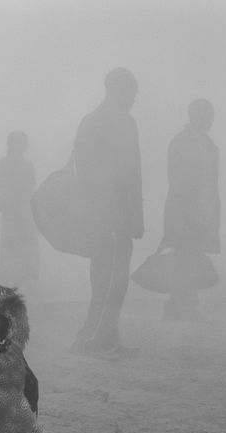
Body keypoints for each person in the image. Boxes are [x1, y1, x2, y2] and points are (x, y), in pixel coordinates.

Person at [70, 68, 143, 361]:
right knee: (107, 279)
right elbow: (87, 170)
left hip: (120, 216)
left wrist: (134, 218)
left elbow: (132, 174)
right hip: (107, 217)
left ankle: (109, 337)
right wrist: (103, 209)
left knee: (117, 279)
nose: (133, 99)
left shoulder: (123, 122)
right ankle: (88, 338)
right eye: (131, 92)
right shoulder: (100, 122)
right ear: (114, 89)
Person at [161, 99, 220, 320]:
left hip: (203, 212)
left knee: (192, 256)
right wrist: (187, 213)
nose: (211, 118)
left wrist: (210, 214)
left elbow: (211, 184)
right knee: (184, 256)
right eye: (207, 114)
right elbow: (176, 180)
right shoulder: (182, 142)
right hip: (184, 213)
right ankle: (179, 305)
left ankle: (185, 305)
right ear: (194, 115)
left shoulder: (209, 146)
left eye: (211, 114)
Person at [0, 130, 39, 287]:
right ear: (11, 144)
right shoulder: (4, 163)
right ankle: (6, 283)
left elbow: (32, 190)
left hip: (23, 212)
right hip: (11, 212)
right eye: (18, 142)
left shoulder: (27, 165)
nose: (21, 146)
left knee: (22, 248)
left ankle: (18, 283)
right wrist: (8, 189)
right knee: (9, 247)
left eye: (22, 143)